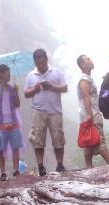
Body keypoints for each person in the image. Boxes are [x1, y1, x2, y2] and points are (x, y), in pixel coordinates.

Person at [24, 48, 68, 176]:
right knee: (38, 140)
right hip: (38, 111)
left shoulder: (56, 72)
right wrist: (35, 88)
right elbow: (26, 93)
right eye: (38, 63)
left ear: (46, 60)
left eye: (43, 62)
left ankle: (60, 164)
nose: (41, 65)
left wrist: (52, 87)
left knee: (58, 138)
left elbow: (65, 87)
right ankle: (41, 166)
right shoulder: (31, 75)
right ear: (35, 63)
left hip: (55, 111)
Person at [0, 64, 24, 181]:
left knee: (15, 148)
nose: (9, 75)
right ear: (1, 74)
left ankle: (16, 170)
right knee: (0, 149)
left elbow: (17, 104)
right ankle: (3, 172)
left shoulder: (12, 88)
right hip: (0, 124)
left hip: (13, 123)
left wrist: (16, 92)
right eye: (7, 72)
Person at [76, 54, 109, 169]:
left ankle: (88, 167)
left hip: (88, 114)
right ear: (82, 64)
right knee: (98, 139)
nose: (91, 60)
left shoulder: (88, 78)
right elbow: (86, 97)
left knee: (89, 140)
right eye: (88, 59)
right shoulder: (84, 80)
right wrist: (90, 114)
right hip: (90, 113)